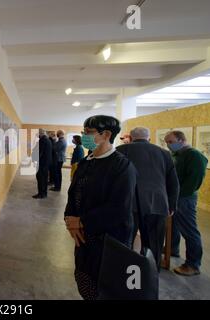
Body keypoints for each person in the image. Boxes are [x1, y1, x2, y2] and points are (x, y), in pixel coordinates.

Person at [64, 115, 137, 300]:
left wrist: (82, 221)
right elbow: (73, 194)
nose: (84, 136)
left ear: (106, 134)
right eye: (84, 132)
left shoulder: (122, 166)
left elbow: (119, 207)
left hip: (109, 240)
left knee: (105, 287)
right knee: (84, 279)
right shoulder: (86, 162)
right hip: (83, 236)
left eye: (88, 132)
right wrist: (69, 219)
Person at [117, 127, 180, 270]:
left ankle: (125, 271)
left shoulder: (121, 151)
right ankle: (151, 272)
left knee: (125, 241)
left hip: (128, 204)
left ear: (131, 138)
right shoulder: (164, 153)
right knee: (154, 243)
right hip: (157, 204)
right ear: (149, 138)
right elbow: (173, 182)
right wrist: (171, 205)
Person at [164, 130, 208, 276]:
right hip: (175, 197)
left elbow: (194, 181)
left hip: (184, 198)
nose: (169, 145)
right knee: (174, 225)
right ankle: (173, 249)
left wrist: (177, 196)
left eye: (171, 142)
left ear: (181, 140)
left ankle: (193, 264)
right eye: (167, 142)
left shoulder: (194, 156)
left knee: (189, 231)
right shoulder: (177, 155)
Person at [32, 129, 52, 199]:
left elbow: (39, 152)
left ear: (40, 133)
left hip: (42, 163)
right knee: (44, 178)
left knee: (41, 178)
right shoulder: (47, 140)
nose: (37, 135)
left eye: (37, 133)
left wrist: (35, 160)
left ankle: (41, 194)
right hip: (46, 163)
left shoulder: (43, 140)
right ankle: (44, 193)